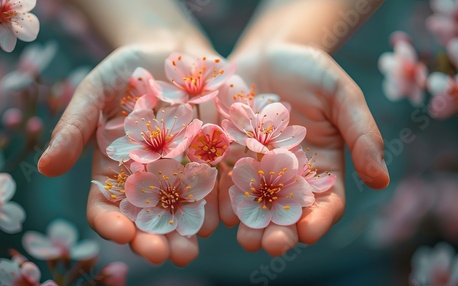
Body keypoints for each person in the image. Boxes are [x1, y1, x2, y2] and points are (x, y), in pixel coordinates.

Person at [37, 0, 390, 266]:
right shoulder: (167, 125)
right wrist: (157, 33)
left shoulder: (249, 141)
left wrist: (291, 35)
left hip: (348, 254)